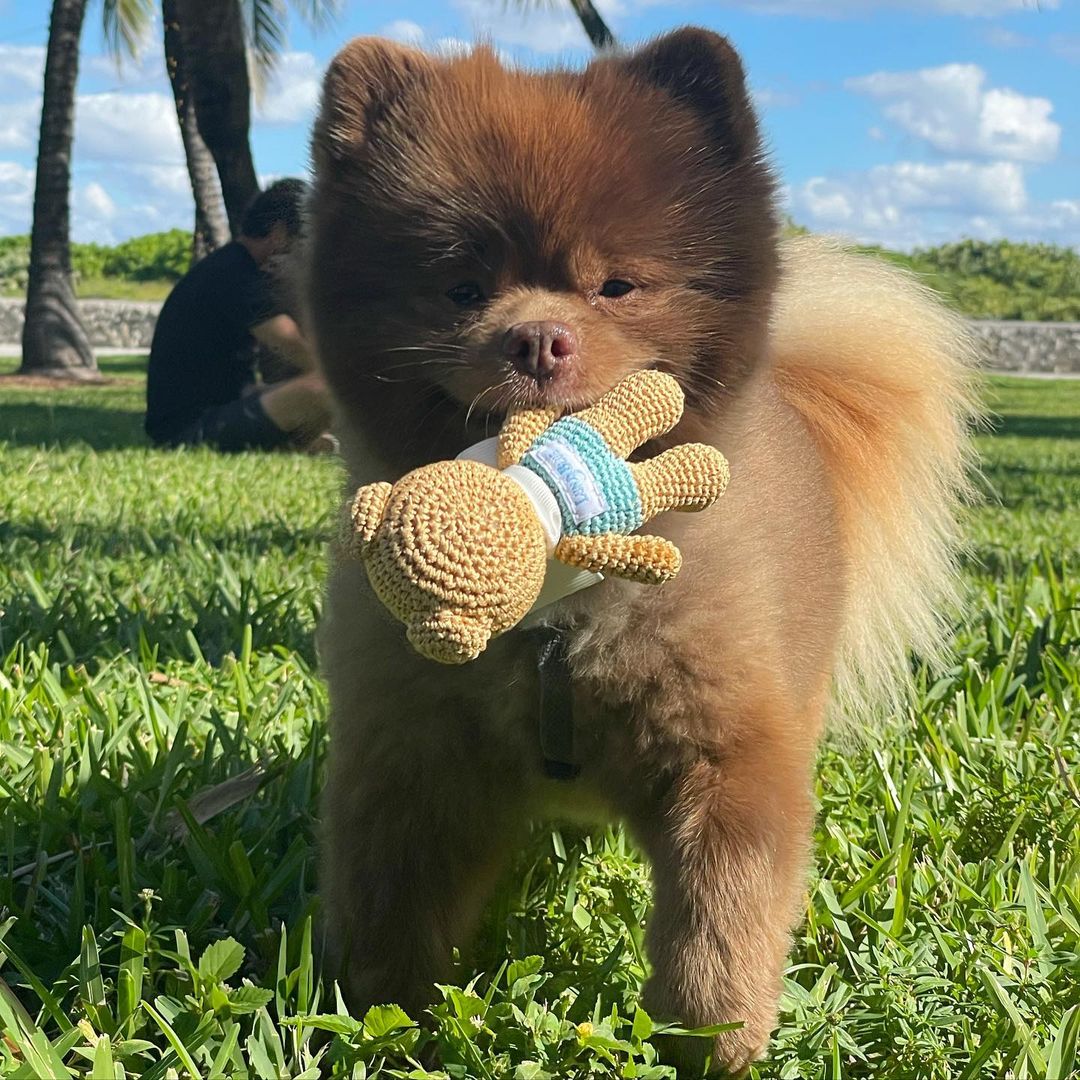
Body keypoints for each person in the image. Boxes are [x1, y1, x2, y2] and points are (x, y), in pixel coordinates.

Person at [144, 179, 332, 452]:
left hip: (206, 415)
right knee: (327, 386)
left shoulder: (229, 266)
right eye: (303, 239)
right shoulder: (238, 276)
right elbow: (299, 350)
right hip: (188, 431)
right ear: (279, 233)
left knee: (311, 395)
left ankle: (303, 445)